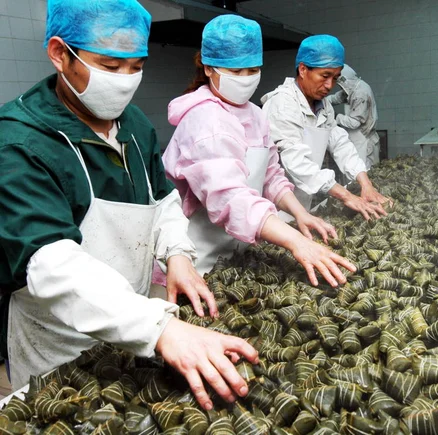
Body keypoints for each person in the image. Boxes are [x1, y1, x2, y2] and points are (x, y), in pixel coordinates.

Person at [0, 0, 257, 411]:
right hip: (57, 342)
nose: (124, 81)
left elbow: (164, 198)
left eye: (135, 66)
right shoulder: (18, 142)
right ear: (59, 54)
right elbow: (51, 264)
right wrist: (161, 329)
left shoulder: (134, 124)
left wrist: (177, 253)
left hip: (138, 327)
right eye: (109, 66)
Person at [160, 15, 355, 287]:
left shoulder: (255, 115)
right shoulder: (204, 119)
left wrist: (300, 214)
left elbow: (270, 176)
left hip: (236, 252)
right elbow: (230, 197)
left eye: (252, 70)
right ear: (208, 69)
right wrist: (294, 240)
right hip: (195, 259)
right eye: (236, 72)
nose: (245, 79)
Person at [261, 35, 391, 220]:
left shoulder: (323, 105)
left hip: (302, 202)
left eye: (335, 78)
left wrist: (365, 184)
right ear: (303, 69)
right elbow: (296, 162)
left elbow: (340, 144)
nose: (330, 85)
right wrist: (347, 196)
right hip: (274, 206)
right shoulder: (282, 104)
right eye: (324, 76)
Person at [328, 64, 380, 169]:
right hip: (356, 139)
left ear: (345, 80)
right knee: (354, 171)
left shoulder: (360, 93)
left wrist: (336, 117)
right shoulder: (353, 87)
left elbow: (354, 122)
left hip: (363, 141)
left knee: (362, 173)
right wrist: (321, 101)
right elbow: (336, 98)